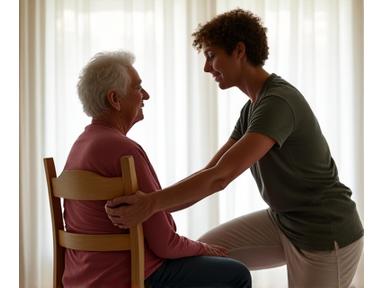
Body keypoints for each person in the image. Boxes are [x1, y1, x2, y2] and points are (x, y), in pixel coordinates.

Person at [105, 9, 364, 288]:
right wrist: (151, 208)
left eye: (211, 55)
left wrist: (151, 204)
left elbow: (221, 178)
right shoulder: (252, 108)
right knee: (202, 255)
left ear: (239, 51)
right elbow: (211, 171)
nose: (207, 67)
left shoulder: (277, 102)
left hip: (325, 235)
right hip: (284, 222)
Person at [63, 51, 252, 287]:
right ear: (114, 99)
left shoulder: (80, 145)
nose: (146, 96)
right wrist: (205, 248)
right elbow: (165, 244)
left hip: (81, 279)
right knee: (236, 274)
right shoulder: (124, 149)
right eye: (138, 87)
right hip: (128, 277)